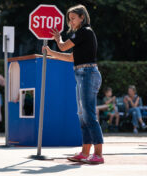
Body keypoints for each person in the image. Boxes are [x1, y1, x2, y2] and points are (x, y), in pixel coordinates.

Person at [42, 4, 104, 164]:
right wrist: (52, 52)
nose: (71, 22)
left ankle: (98, 154)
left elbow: (63, 47)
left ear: (82, 17)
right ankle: (85, 153)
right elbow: (71, 58)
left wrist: (58, 40)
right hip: (82, 73)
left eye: (73, 19)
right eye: (69, 19)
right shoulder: (83, 36)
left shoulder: (85, 32)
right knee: (82, 116)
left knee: (89, 115)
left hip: (88, 74)